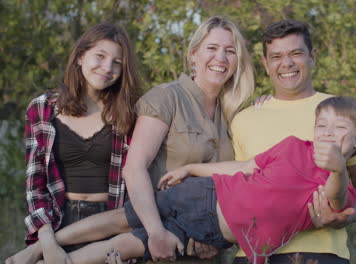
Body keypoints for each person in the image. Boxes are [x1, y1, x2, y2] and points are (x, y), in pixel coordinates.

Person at [10, 95, 356, 264]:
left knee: (137, 243)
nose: (327, 134)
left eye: (339, 129)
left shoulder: (342, 187)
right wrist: (192, 169)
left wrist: (338, 167)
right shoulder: (294, 146)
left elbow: (335, 202)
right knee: (127, 217)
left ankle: (65, 263)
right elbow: (243, 166)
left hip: (214, 233)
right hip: (204, 195)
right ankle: (40, 248)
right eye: (321, 126)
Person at [19, 16, 254, 264]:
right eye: (212, 48)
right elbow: (133, 169)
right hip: (99, 227)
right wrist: (45, 239)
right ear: (193, 53)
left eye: (230, 51)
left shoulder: (234, 114)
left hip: (172, 237)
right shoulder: (164, 98)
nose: (221, 58)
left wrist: (212, 235)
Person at [230, 20, 356, 264]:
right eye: (276, 56)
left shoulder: (343, 112)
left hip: (322, 254)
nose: (286, 63)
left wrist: (345, 217)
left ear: (313, 57)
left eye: (295, 53)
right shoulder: (243, 119)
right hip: (254, 254)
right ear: (265, 64)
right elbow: (233, 188)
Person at [6, 22, 142, 264]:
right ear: (80, 56)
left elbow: (138, 184)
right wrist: (45, 240)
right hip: (58, 222)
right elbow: (34, 186)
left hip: (112, 226)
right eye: (100, 56)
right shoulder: (42, 108)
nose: (107, 67)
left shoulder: (131, 114)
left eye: (117, 62)